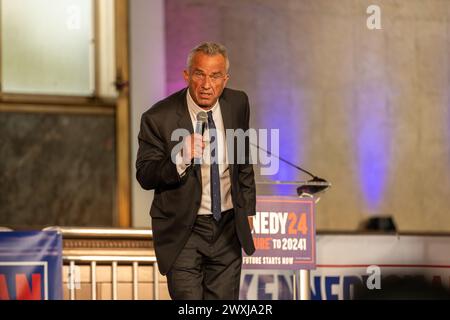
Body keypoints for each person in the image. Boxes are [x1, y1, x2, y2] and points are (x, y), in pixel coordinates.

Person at [136, 42, 256, 300]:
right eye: (199, 74)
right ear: (187, 75)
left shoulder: (238, 103)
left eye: (215, 76)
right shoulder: (158, 118)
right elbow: (145, 174)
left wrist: (247, 209)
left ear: (225, 79)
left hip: (227, 228)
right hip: (183, 231)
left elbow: (243, 161)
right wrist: (180, 157)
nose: (206, 84)